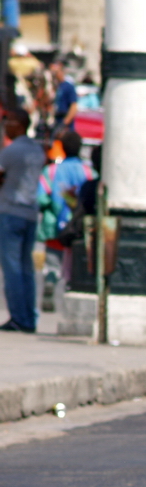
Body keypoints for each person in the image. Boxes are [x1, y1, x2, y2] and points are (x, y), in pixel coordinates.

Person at [0, 108, 47, 332]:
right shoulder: (36, 150)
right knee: (26, 269)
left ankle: (18, 317)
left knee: (12, 269)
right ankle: (29, 317)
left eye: (9, 121)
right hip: (30, 213)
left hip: (11, 211)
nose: (6, 125)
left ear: (19, 124)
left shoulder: (11, 151)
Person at [36, 130, 94, 312]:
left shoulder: (51, 171)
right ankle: (71, 291)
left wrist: (52, 205)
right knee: (76, 264)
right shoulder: (88, 172)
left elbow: (40, 198)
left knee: (53, 262)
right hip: (78, 228)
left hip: (55, 228)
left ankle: (51, 281)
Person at [50, 59, 77, 135]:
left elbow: (73, 106)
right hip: (55, 120)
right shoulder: (54, 86)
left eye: (56, 72)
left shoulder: (68, 86)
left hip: (64, 120)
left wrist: (65, 122)